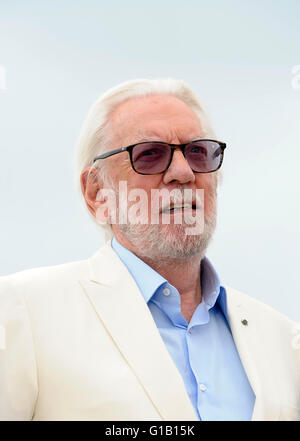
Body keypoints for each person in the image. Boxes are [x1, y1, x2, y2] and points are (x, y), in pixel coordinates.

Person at [0, 79, 299, 421]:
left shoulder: (283, 341)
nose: (183, 173)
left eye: (197, 152)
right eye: (150, 155)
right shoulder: (23, 312)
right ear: (98, 192)